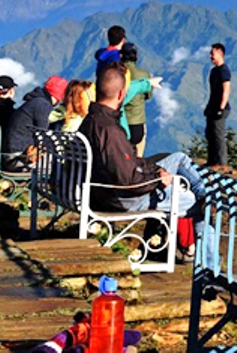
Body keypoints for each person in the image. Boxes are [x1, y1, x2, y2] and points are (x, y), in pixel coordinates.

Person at [79, 63, 205, 259]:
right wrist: (156, 178)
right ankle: (202, 256)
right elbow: (127, 180)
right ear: (121, 94)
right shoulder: (110, 131)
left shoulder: (91, 121)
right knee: (192, 200)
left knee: (179, 158)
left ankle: (204, 192)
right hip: (120, 198)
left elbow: (127, 162)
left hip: (103, 189)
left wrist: (156, 169)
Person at [4, 75, 68, 169]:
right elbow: (43, 135)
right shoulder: (43, 105)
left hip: (11, 153)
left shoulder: (36, 101)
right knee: (60, 166)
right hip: (18, 157)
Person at [121, 43, 153, 156]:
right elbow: (148, 95)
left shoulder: (115, 73)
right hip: (137, 121)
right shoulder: (144, 75)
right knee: (138, 153)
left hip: (118, 121)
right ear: (136, 57)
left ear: (121, 56)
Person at [205, 44, 231, 171]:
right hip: (212, 107)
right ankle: (211, 161)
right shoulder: (214, 71)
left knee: (218, 135)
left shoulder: (224, 71)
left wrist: (221, 108)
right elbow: (213, 92)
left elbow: (226, 90)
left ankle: (222, 163)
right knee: (210, 133)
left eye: (212, 54)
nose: (210, 56)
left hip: (221, 108)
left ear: (220, 54)